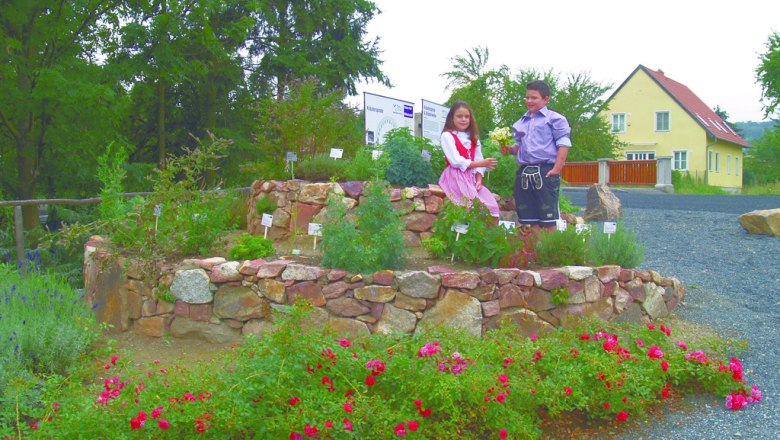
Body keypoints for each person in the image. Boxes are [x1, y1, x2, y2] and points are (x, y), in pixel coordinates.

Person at [502, 80, 571, 230]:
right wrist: (508, 149)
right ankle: (535, 251)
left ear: (546, 99)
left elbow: (564, 143)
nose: (529, 101)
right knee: (530, 216)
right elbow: (517, 147)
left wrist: (557, 168)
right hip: (525, 170)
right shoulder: (520, 122)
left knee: (548, 217)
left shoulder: (555, 119)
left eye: (534, 98)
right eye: (527, 98)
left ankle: (548, 251)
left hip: (546, 170)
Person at [438, 101, 499, 218]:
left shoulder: (473, 138)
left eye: (467, 116)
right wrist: (482, 163)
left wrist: (479, 178)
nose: (463, 119)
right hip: (455, 176)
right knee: (469, 205)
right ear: (452, 118)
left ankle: (485, 234)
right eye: (459, 116)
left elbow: (478, 157)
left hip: (471, 177)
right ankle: (462, 232)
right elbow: (455, 161)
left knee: (492, 206)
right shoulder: (447, 136)